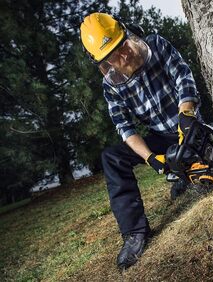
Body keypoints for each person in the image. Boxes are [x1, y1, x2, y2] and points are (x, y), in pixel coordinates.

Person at [80, 12, 201, 270]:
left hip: (187, 121)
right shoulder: (111, 86)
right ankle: (135, 233)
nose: (124, 56)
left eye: (122, 46)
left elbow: (183, 77)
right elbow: (125, 128)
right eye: (113, 56)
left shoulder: (155, 45)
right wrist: (149, 158)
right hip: (159, 135)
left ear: (127, 34)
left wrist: (187, 115)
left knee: (201, 155)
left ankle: (186, 171)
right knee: (112, 157)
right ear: (104, 63)